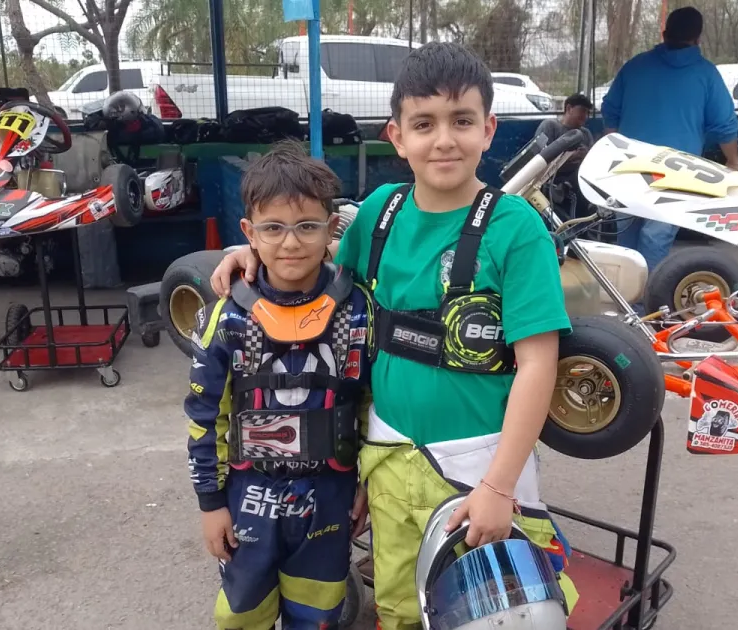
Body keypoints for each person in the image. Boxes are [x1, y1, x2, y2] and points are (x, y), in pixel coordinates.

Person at [207, 41, 579, 629]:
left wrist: (500, 487)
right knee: (400, 606)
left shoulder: (516, 230)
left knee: (499, 613)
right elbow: (312, 260)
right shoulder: (381, 212)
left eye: (462, 121)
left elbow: (538, 364)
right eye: (424, 124)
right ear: (397, 137)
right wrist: (249, 251)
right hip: (386, 457)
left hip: (477, 465)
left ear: (488, 129)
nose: (443, 140)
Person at [185, 141, 373, 629]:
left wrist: (369, 483)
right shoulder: (225, 318)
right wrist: (210, 503)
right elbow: (204, 417)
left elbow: (372, 405)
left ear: (332, 228)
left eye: (307, 226)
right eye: (273, 228)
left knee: (318, 615)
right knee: (241, 616)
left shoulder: (359, 310)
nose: (290, 243)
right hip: (249, 496)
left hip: (330, 495)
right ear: (249, 233)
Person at [600, 6, 738, 277]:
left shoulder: (635, 66)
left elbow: (610, 111)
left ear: (664, 34)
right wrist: (733, 162)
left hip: (627, 165)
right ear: (698, 38)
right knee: (656, 237)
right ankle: (648, 298)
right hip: (677, 171)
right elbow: (724, 124)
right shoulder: (706, 74)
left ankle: (622, 294)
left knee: (625, 234)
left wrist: (612, 149)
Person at [534, 93, 595, 221]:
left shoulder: (585, 133)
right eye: (582, 111)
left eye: (587, 113)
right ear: (569, 108)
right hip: (554, 179)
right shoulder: (550, 126)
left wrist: (585, 156)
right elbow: (539, 159)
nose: (585, 116)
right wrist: (570, 156)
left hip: (580, 179)